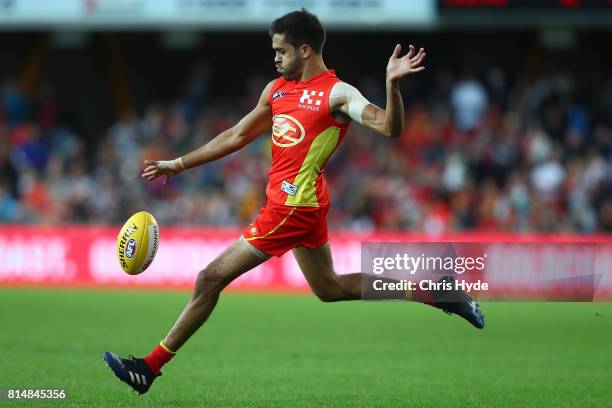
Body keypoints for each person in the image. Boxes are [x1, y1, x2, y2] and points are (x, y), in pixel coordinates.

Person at [103, 9, 484, 395]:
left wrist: (393, 86)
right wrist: (178, 164)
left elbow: (390, 128)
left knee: (209, 278)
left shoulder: (338, 93)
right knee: (330, 288)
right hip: (307, 204)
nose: (274, 57)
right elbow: (236, 135)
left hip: (292, 209)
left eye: (280, 50)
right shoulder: (276, 90)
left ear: (304, 50)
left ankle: (148, 368)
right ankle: (437, 293)